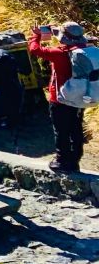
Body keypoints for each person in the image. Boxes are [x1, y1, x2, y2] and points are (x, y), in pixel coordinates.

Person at [29, 22, 87, 173]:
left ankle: (62, 161)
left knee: (61, 130)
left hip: (60, 98)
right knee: (76, 129)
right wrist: (56, 31)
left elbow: (34, 49)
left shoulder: (59, 53)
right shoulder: (85, 50)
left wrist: (37, 35)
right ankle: (74, 160)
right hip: (79, 97)